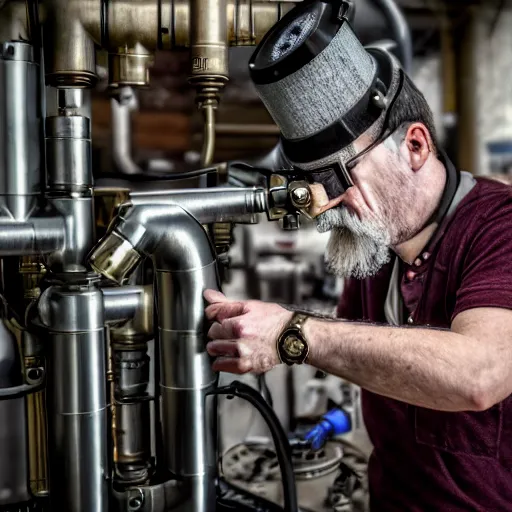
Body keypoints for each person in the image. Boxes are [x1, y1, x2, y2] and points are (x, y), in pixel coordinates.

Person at [205, 2, 512, 511]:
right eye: (311, 186)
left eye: (336, 180)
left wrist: (293, 334)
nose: (322, 209)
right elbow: (374, 366)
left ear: (414, 146)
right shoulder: (372, 249)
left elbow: (479, 375)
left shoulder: (499, 226)